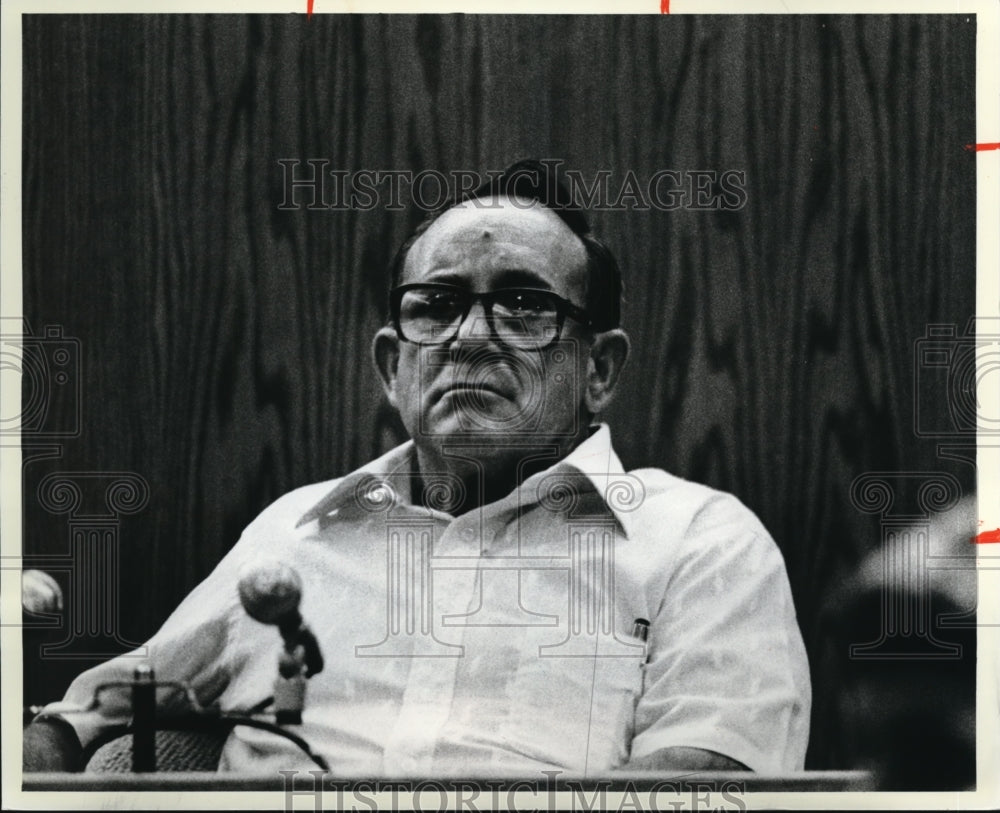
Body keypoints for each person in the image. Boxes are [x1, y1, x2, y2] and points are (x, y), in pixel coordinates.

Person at [24, 159, 811, 776]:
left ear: (600, 368)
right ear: (393, 365)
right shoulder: (296, 533)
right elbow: (98, 714)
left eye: (525, 306)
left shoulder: (700, 542)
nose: (470, 337)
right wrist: (48, 743)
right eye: (436, 305)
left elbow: (708, 787)